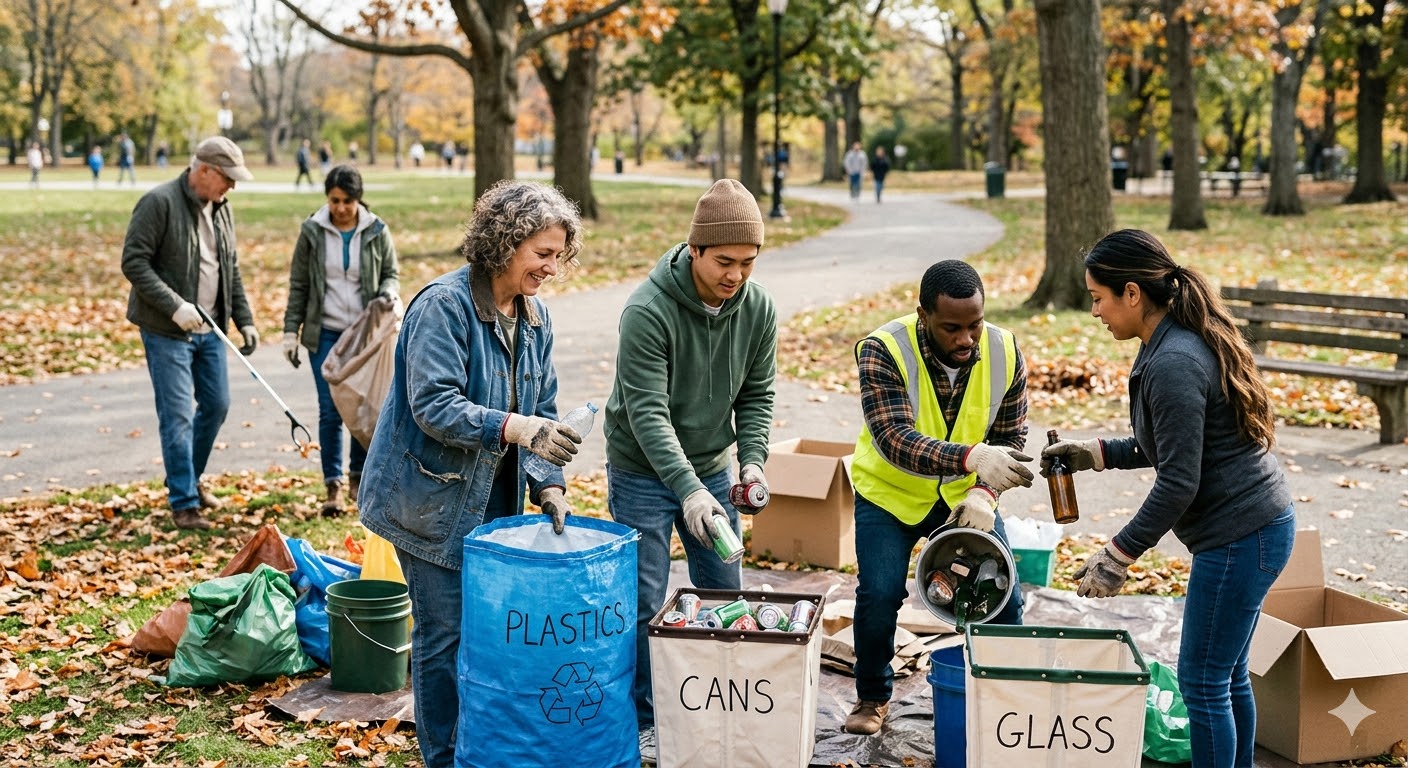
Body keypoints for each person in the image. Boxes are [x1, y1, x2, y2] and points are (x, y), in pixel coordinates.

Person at [1042, 229, 1294, 768]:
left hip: (1239, 537)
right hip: (1260, 526)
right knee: (1225, 678)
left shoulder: (1173, 361)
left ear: (1132, 294)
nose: (1094, 311)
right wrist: (1096, 453)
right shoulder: (1175, 340)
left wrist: (1117, 555)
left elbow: (1180, 479)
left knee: (1202, 684)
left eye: (1097, 297)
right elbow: (1173, 445)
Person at [359, 180, 583, 767]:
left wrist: (549, 484)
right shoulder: (444, 306)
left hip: (494, 504)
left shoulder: (537, 321)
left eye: (559, 255)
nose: (551, 267)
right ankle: (444, 756)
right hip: (426, 500)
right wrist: (515, 427)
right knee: (446, 635)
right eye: (542, 253)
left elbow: (545, 412)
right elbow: (433, 405)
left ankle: (476, 748)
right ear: (504, 244)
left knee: (484, 633)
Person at [604, 178, 777, 759]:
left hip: (710, 466)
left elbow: (757, 394)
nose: (736, 275)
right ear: (695, 249)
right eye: (724, 261)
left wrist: (750, 463)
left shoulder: (757, 309)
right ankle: (648, 719)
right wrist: (689, 492)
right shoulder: (646, 311)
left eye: (748, 263)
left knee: (724, 591)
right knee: (647, 599)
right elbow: (647, 416)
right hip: (640, 470)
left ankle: (714, 705)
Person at [845, 259, 1033, 735]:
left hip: (963, 498)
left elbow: (1011, 438)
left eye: (975, 325)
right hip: (889, 494)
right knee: (880, 594)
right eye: (952, 328)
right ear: (923, 315)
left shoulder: (1005, 350)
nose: (966, 339)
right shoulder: (883, 349)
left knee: (1002, 597)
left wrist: (986, 495)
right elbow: (893, 437)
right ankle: (871, 697)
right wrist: (972, 458)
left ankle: (1004, 698)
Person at [120, 136, 258, 531]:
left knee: (216, 405)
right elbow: (134, 262)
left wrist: (244, 319)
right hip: (167, 330)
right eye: (227, 179)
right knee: (178, 414)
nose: (231, 187)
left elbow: (229, 268)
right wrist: (175, 306)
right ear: (204, 171)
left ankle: (189, 479)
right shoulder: (158, 203)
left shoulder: (221, 209)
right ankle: (183, 502)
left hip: (211, 328)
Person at [281, 164, 400, 515]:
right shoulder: (312, 231)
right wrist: (291, 331)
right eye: (334, 200)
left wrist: (389, 292)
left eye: (347, 201)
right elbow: (299, 284)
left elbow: (390, 272)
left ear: (358, 200)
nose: (341, 208)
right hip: (326, 332)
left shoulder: (377, 230)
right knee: (330, 409)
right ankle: (332, 486)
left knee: (361, 407)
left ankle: (357, 480)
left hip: (364, 333)